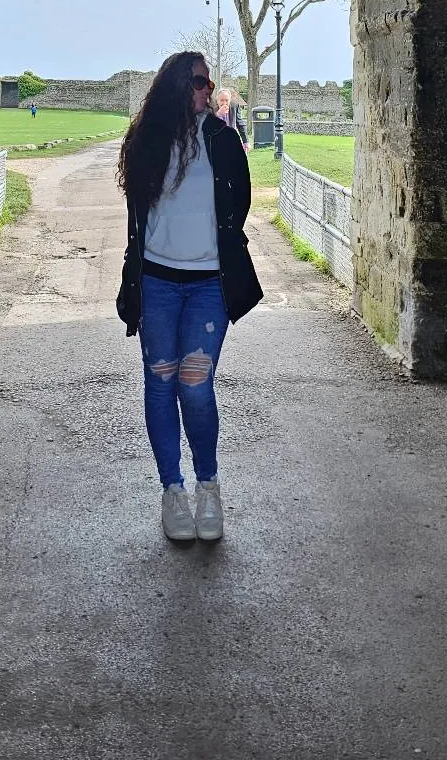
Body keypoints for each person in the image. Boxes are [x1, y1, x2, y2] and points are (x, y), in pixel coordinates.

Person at [116, 50, 263, 542]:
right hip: (157, 281)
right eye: (202, 82)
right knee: (160, 383)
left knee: (195, 386)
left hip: (207, 283)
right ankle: (172, 490)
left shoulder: (223, 139)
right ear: (179, 86)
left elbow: (237, 205)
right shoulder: (147, 143)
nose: (209, 89)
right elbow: (138, 219)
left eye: (209, 82)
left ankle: (208, 485)